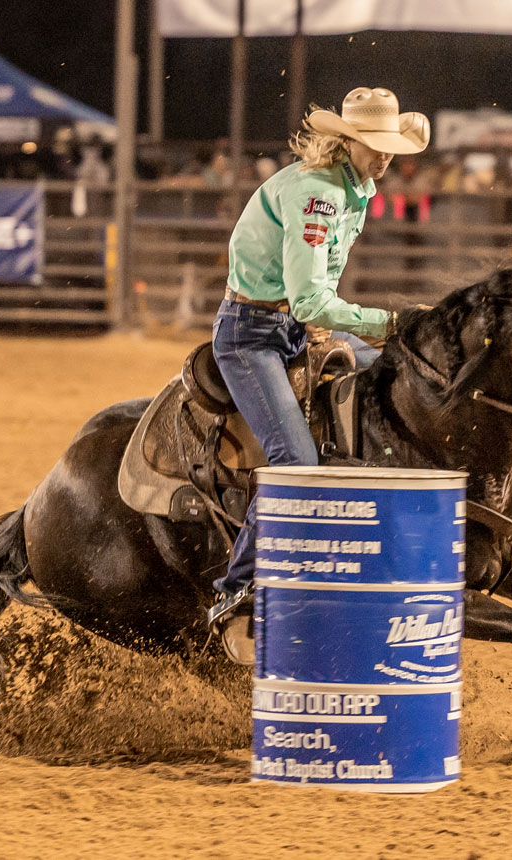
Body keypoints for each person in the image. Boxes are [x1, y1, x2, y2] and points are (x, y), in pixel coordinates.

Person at [205, 86, 431, 637]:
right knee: (294, 463)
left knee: (397, 377)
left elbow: (313, 296)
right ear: (347, 141)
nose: (384, 155)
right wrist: (390, 323)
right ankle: (235, 592)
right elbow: (309, 298)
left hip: (294, 328)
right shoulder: (318, 195)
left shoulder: (355, 187)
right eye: (372, 144)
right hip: (251, 335)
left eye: (389, 146)